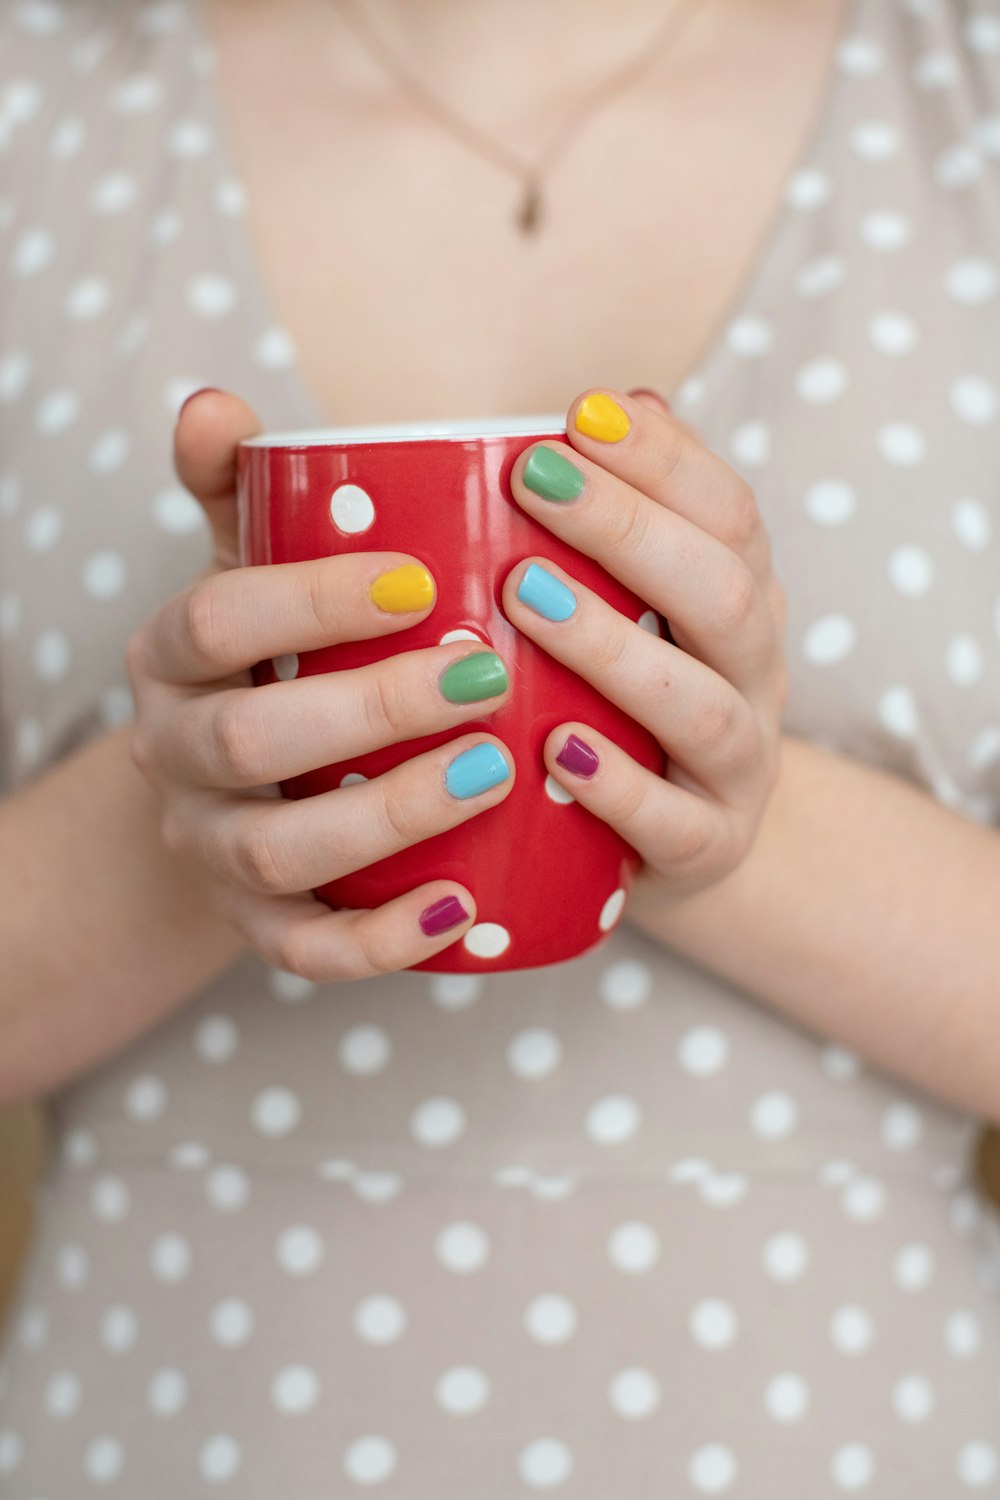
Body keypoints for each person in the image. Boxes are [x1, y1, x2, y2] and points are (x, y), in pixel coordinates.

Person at [1, 0, 999, 1492]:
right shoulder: (35, 103)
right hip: (163, 1426)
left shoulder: (966, 94)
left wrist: (695, 798)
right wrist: (188, 806)